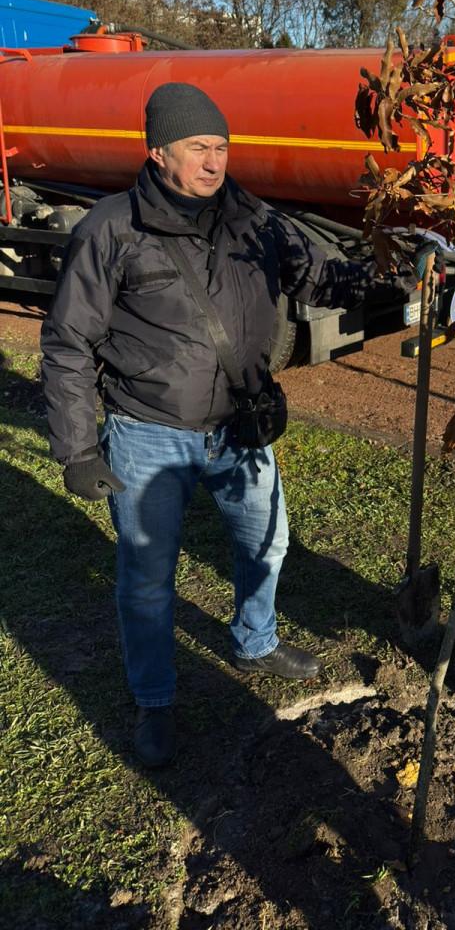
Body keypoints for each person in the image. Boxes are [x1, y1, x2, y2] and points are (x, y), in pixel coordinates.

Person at [41, 82, 411, 769]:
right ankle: (155, 702)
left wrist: (401, 277)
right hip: (148, 430)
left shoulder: (255, 219)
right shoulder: (111, 229)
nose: (214, 161)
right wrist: (77, 447)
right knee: (147, 579)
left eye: (221, 146)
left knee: (266, 544)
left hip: (240, 429)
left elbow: (321, 280)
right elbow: (68, 342)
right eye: (197, 148)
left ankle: (255, 638)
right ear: (157, 153)